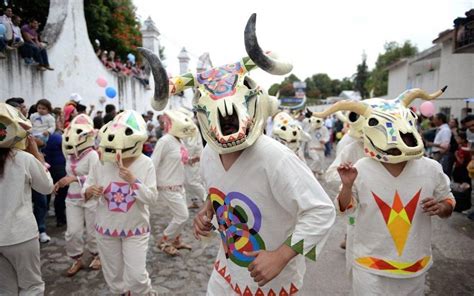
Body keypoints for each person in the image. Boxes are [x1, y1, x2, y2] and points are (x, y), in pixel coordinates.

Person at [140, 14, 336, 295]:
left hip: (272, 285)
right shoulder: (209, 153)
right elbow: (219, 190)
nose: (227, 119)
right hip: (224, 273)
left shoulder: (275, 157)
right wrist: (208, 210)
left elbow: (320, 211)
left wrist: (281, 256)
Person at [328, 87, 454, 295]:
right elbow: (344, 209)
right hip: (369, 266)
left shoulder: (431, 168)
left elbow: (448, 202)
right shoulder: (362, 167)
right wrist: (348, 186)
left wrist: (441, 207)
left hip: (414, 268)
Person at [83, 110, 157, 295]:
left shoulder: (145, 163)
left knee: (137, 277)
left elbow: (152, 198)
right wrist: (90, 191)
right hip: (106, 228)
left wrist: (133, 180)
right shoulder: (100, 161)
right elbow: (87, 189)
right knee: (114, 277)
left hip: (135, 229)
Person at [0, 103, 54, 295]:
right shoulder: (22, 159)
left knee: (5, 289)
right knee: (31, 286)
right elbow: (47, 187)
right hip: (21, 235)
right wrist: (36, 153)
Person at [55, 114, 101, 276]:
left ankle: (97, 255)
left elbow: (97, 177)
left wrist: (75, 178)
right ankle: (77, 259)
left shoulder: (92, 155)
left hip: (91, 199)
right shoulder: (69, 154)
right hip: (72, 198)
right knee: (73, 232)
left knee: (93, 231)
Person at [152, 110, 196, 255]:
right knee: (182, 216)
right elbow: (153, 163)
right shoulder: (164, 141)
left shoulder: (180, 140)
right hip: (167, 186)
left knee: (179, 216)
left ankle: (176, 240)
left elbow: (180, 160)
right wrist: (150, 186)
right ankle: (164, 241)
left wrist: (192, 160)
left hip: (179, 185)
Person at [427, 112, 453, 177]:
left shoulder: (445, 130)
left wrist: (432, 144)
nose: (433, 121)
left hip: (440, 154)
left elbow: (445, 146)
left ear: (440, 120)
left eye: (435, 119)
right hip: (437, 153)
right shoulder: (441, 129)